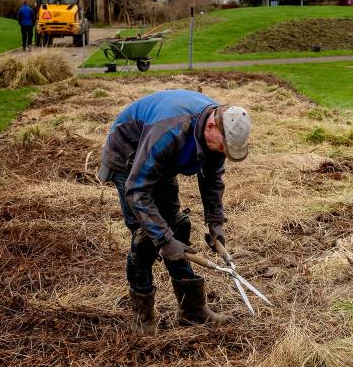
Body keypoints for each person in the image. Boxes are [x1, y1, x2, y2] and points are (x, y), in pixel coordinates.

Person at [98, 90, 252, 335]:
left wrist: (215, 225)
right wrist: (164, 240)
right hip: (129, 162)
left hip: (161, 162)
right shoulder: (170, 131)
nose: (223, 153)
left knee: (176, 229)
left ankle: (192, 309)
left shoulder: (218, 130)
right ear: (211, 126)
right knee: (146, 239)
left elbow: (212, 179)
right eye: (223, 147)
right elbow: (137, 191)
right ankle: (143, 319)